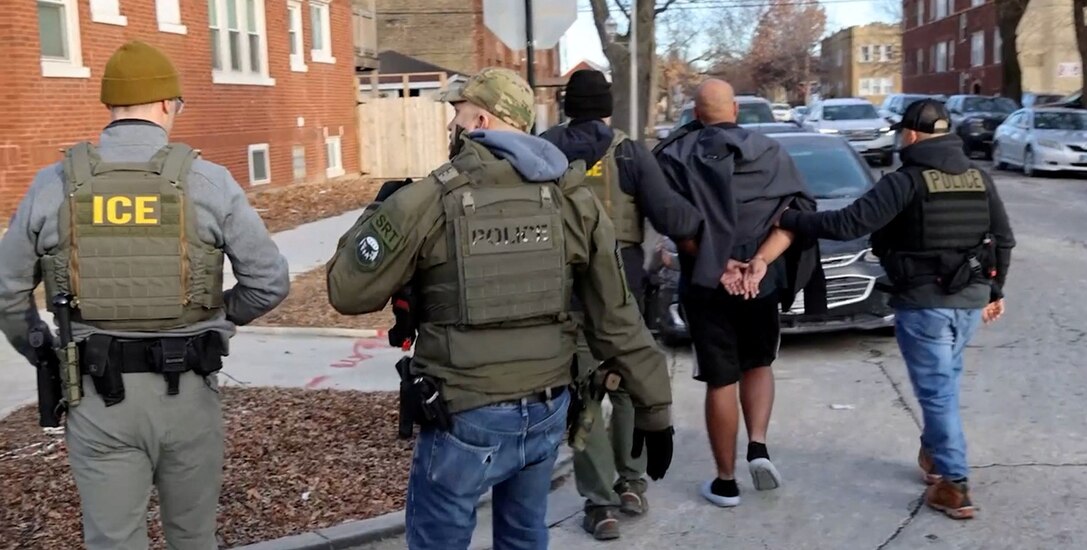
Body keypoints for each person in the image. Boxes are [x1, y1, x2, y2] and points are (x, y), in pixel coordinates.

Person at [325, 67, 675, 550]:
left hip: (466, 412)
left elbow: (347, 292)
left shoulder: (429, 197)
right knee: (525, 535)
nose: (452, 126)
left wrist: (377, 214)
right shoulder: (572, 200)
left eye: (458, 115)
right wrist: (655, 411)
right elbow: (617, 318)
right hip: (548, 406)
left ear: (482, 120)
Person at [0, 41, 290, 549]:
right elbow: (268, 281)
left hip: (96, 395)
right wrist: (218, 321)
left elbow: (7, 293)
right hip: (189, 395)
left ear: (111, 107)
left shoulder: (54, 184)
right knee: (193, 538)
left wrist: (46, 353)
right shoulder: (208, 182)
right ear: (164, 105)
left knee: (113, 540)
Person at [776, 99, 1015, 520]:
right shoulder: (979, 177)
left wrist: (792, 220)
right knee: (945, 384)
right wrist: (995, 290)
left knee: (938, 391)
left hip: (925, 304)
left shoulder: (906, 180)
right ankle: (938, 456)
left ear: (911, 135)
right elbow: (1004, 238)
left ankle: (954, 485)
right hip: (969, 301)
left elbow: (848, 223)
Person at [540, 69, 702, 540]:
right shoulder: (629, 151)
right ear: (608, 107)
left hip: (564, 290)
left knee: (585, 392)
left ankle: (600, 505)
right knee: (628, 384)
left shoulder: (545, 149)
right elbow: (671, 215)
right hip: (623, 287)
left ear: (567, 106)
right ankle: (632, 482)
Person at [653, 79, 826, 508]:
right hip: (760, 282)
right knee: (759, 363)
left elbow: (675, 221)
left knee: (720, 379)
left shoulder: (674, 156)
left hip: (708, 283)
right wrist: (761, 261)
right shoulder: (770, 153)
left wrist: (719, 261)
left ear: (696, 114)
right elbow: (794, 215)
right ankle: (759, 447)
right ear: (735, 110)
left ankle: (726, 483)